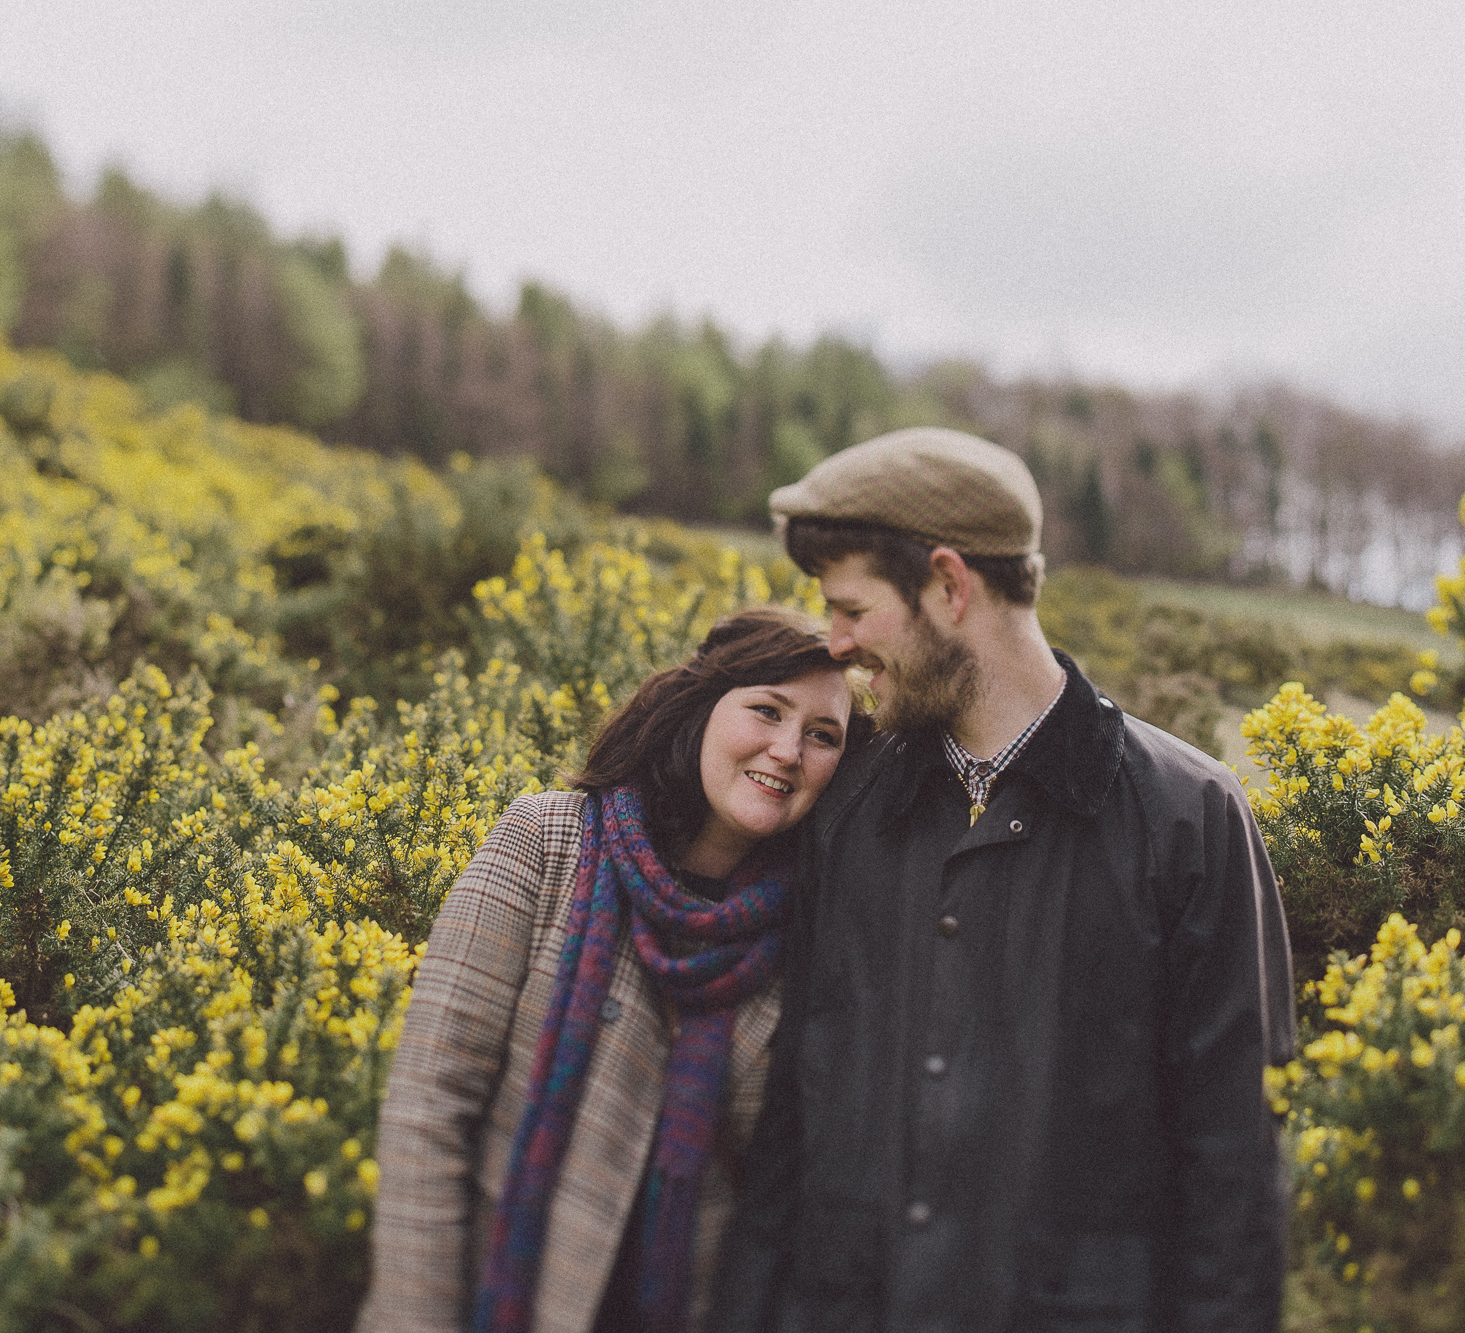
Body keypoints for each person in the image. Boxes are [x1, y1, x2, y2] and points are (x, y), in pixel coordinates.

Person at [711, 428, 1297, 1333]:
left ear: (950, 585)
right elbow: (794, 1120)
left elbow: (1234, 1178)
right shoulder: (848, 809)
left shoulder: (1193, 821)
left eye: (852, 608)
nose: (836, 642)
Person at [360, 607, 869, 1333]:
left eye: (823, 735)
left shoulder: (813, 926)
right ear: (701, 708)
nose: (788, 749)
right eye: (767, 709)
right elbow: (428, 1106)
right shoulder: (547, 841)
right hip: (490, 1297)